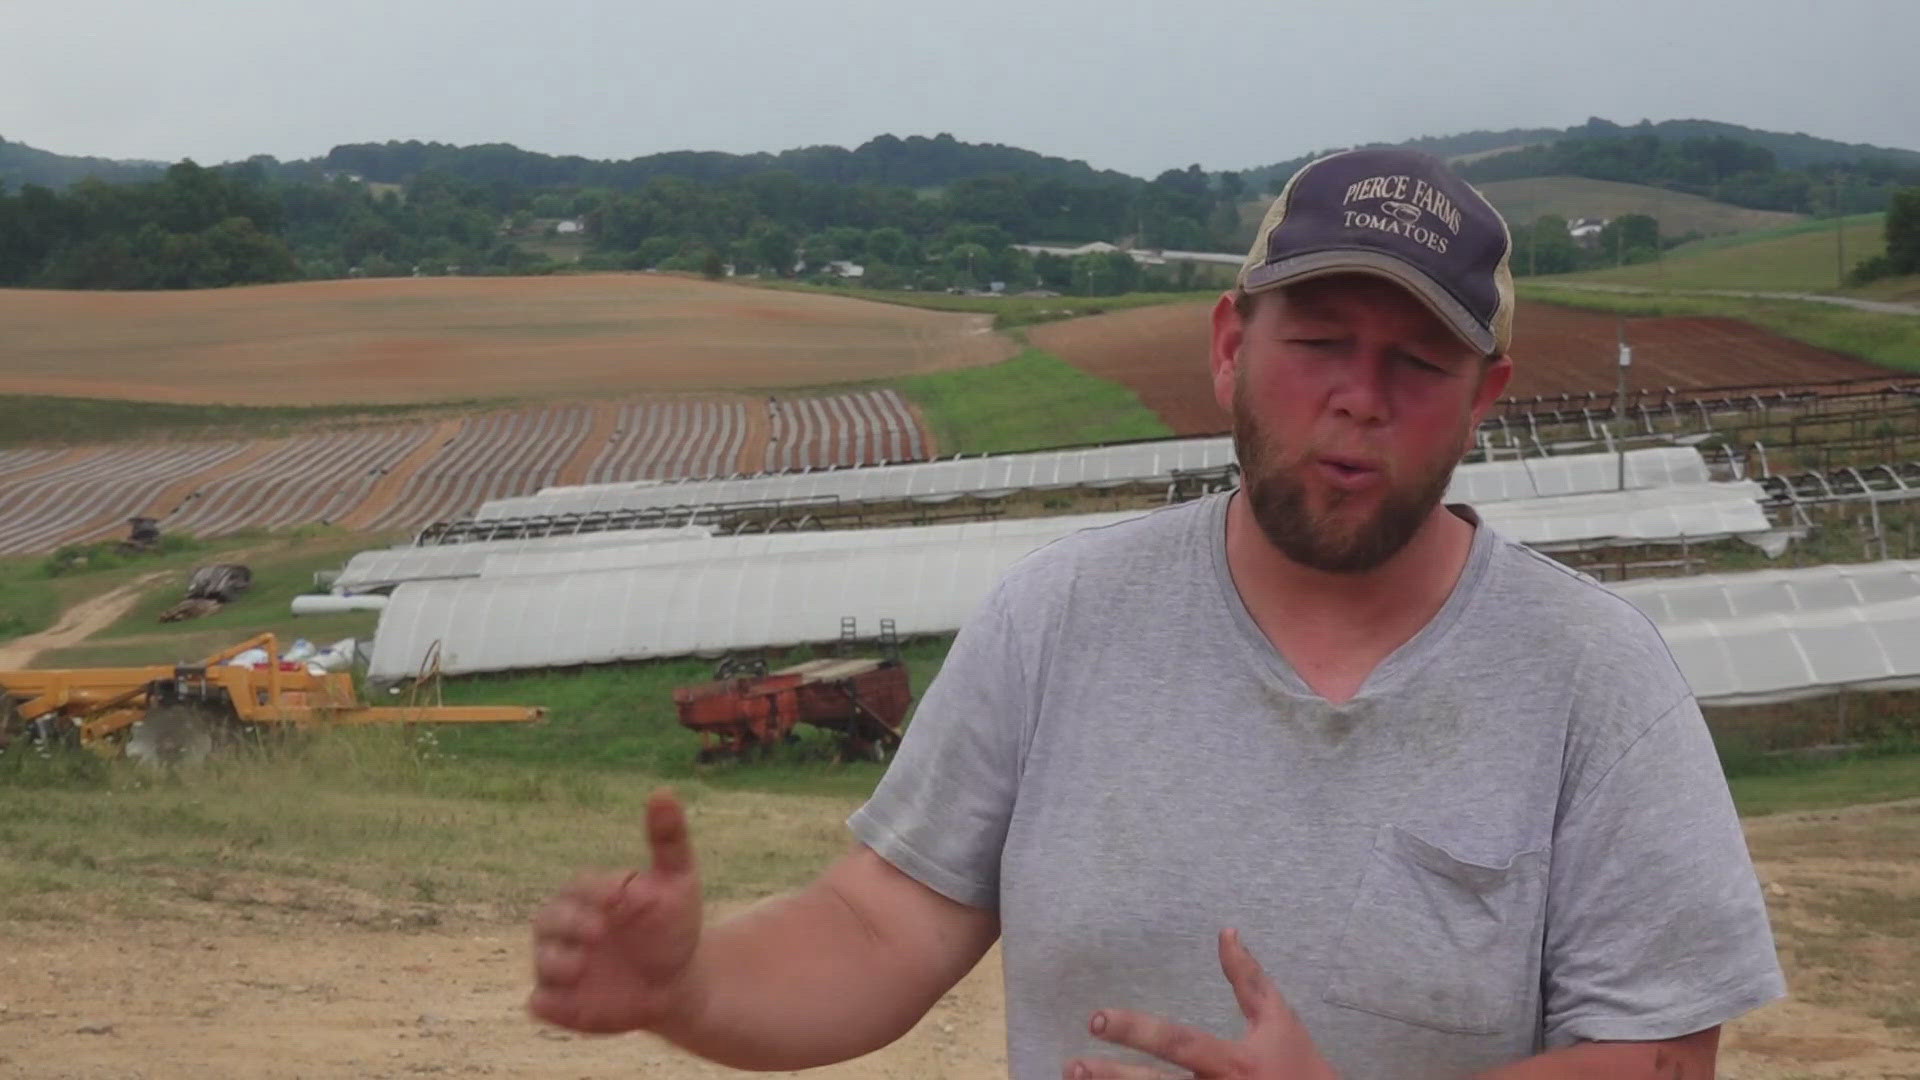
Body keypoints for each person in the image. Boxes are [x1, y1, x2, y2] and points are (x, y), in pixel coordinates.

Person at [528, 148, 1786, 1079]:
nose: (1359, 397)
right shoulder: (1060, 620)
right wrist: (690, 988)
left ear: (1483, 397)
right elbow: (875, 926)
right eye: (1321, 340)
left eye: (1416, 363)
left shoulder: (1592, 679)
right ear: (1232, 342)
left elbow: (1659, 1059)